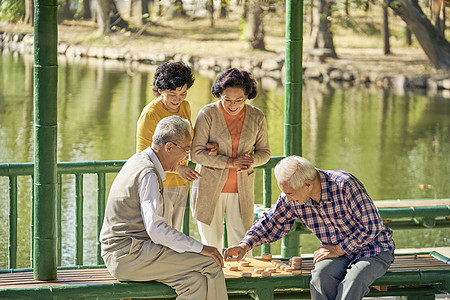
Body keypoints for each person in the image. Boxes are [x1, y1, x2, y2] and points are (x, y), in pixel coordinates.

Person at [224, 155, 395, 300]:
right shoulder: (292, 197)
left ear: (308, 184)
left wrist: (338, 249)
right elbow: (271, 222)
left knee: (353, 282)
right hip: (336, 253)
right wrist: (244, 245)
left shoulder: (345, 185)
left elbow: (372, 228)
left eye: (290, 194)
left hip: (373, 250)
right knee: (320, 278)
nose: (287, 199)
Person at [101, 115, 228, 300]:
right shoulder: (148, 175)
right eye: (186, 150)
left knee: (194, 282)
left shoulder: (139, 160)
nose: (187, 157)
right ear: (169, 147)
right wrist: (201, 248)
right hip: (128, 256)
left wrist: (195, 248)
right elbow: (157, 230)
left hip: (126, 254)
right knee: (211, 263)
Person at [190, 68, 271, 254]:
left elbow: (265, 153)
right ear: (219, 94)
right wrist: (230, 163)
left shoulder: (256, 116)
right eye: (226, 99)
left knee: (243, 246)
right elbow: (195, 154)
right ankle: (213, 282)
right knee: (211, 249)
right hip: (208, 187)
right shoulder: (208, 113)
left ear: (247, 96)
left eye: (239, 100)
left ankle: (244, 281)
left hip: (241, 189)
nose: (232, 105)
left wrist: (251, 161)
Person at [136, 61, 201, 231]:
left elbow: (187, 141)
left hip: (181, 183)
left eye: (183, 93)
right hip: (159, 186)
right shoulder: (150, 114)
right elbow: (143, 157)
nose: (178, 99)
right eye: (173, 93)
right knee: (160, 236)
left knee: (175, 234)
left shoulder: (185, 107)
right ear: (161, 90)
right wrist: (178, 169)